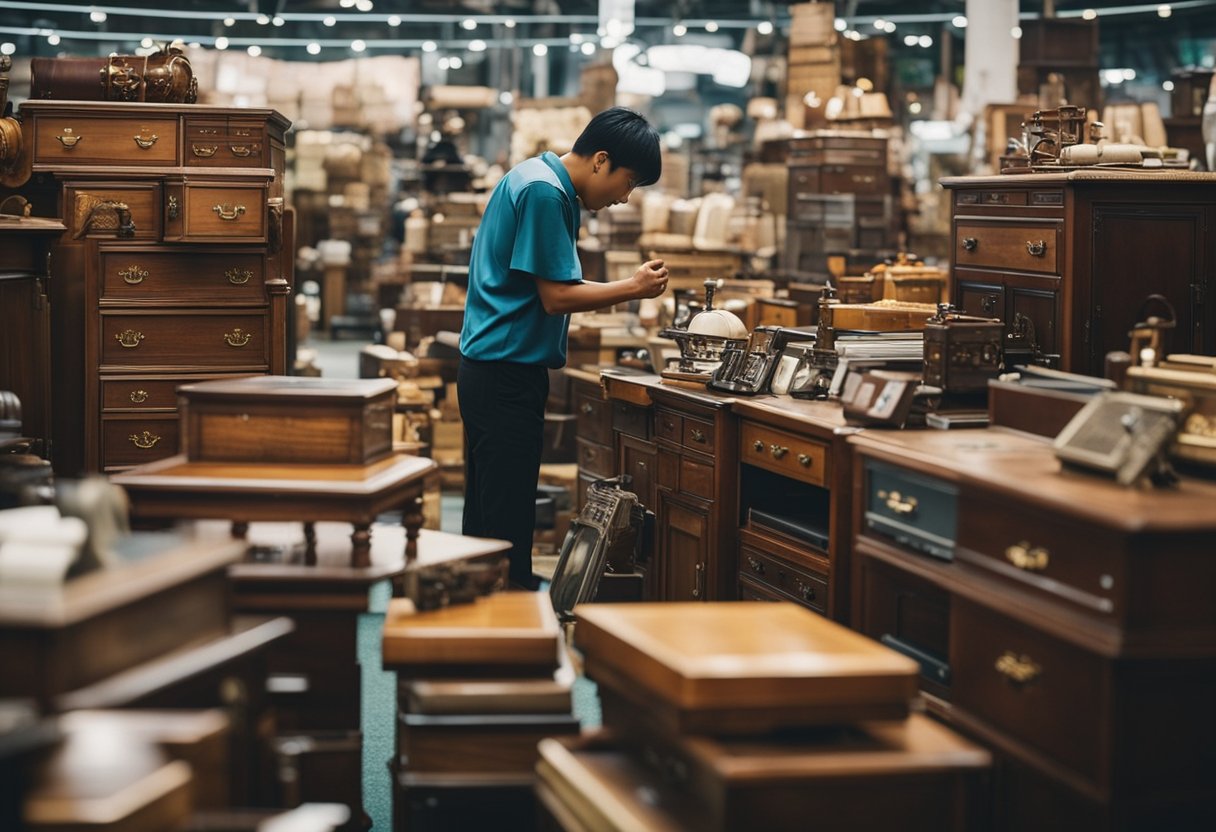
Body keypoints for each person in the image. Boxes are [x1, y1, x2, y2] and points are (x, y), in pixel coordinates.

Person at [457, 107, 669, 590]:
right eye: (628, 181)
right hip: (503, 374)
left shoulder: (536, 177)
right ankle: (505, 631)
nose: (624, 197)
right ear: (600, 160)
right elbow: (557, 297)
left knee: (492, 511)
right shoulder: (545, 193)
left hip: (493, 369)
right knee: (503, 516)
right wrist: (633, 287)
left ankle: (491, 617)